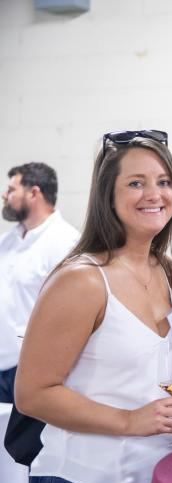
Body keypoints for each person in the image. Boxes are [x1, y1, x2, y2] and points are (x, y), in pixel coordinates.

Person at [15, 130, 172, 483]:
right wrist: (130, 420)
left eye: (164, 182)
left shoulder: (164, 272)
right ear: (107, 195)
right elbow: (32, 393)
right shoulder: (82, 280)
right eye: (135, 183)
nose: (154, 194)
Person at [0, 162, 79, 403]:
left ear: (34, 193)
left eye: (12, 190)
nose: (4, 194)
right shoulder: (6, 241)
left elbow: (69, 318)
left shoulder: (65, 243)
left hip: (31, 369)